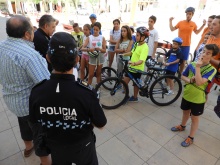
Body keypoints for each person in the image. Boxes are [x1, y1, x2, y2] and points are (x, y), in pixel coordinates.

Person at [29, 32, 107, 165]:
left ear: (48, 58)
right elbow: (101, 124)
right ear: (77, 59)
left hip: (56, 149)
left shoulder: (37, 92)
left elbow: (35, 123)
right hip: (83, 149)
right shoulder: (86, 93)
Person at [0, 15, 51, 164]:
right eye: (32, 29)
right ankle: (45, 161)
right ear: (27, 34)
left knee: (23, 123)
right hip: (30, 105)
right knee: (40, 135)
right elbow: (45, 84)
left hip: (12, 101)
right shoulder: (29, 55)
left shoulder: (1, 46)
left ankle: (28, 147)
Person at [171, 44, 219, 147]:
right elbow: (183, 76)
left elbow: (200, 82)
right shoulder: (191, 64)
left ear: (212, 56)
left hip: (198, 99)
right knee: (185, 112)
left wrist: (198, 67)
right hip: (187, 94)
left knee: (194, 118)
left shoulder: (212, 70)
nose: (204, 54)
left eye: (208, 53)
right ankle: (182, 126)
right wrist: (189, 80)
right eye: (203, 51)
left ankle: (191, 137)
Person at [169, 7, 206, 75]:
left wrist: (203, 25)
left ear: (192, 15)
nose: (188, 15)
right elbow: (172, 29)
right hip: (178, 45)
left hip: (187, 45)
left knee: (183, 61)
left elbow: (197, 32)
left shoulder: (193, 24)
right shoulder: (181, 22)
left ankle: (180, 74)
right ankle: (172, 73)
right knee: (175, 59)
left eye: (190, 14)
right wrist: (170, 21)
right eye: (187, 14)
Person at [122, 27, 149, 102]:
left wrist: (133, 63)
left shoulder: (145, 47)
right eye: (136, 35)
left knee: (136, 85)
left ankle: (135, 97)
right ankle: (126, 96)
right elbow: (132, 52)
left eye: (137, 35)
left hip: (138, 69)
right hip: (131, 67)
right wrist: (123, 54)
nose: (135, 37)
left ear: (143, 37)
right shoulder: (137, 44)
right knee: (125, 82)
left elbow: (141, 60)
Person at [205, 15, 220, 93]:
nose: (210, 26)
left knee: (203, 95)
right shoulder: (210, 37)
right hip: (200, 70)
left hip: (210, 75)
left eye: (214, 24)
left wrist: (210, 58)